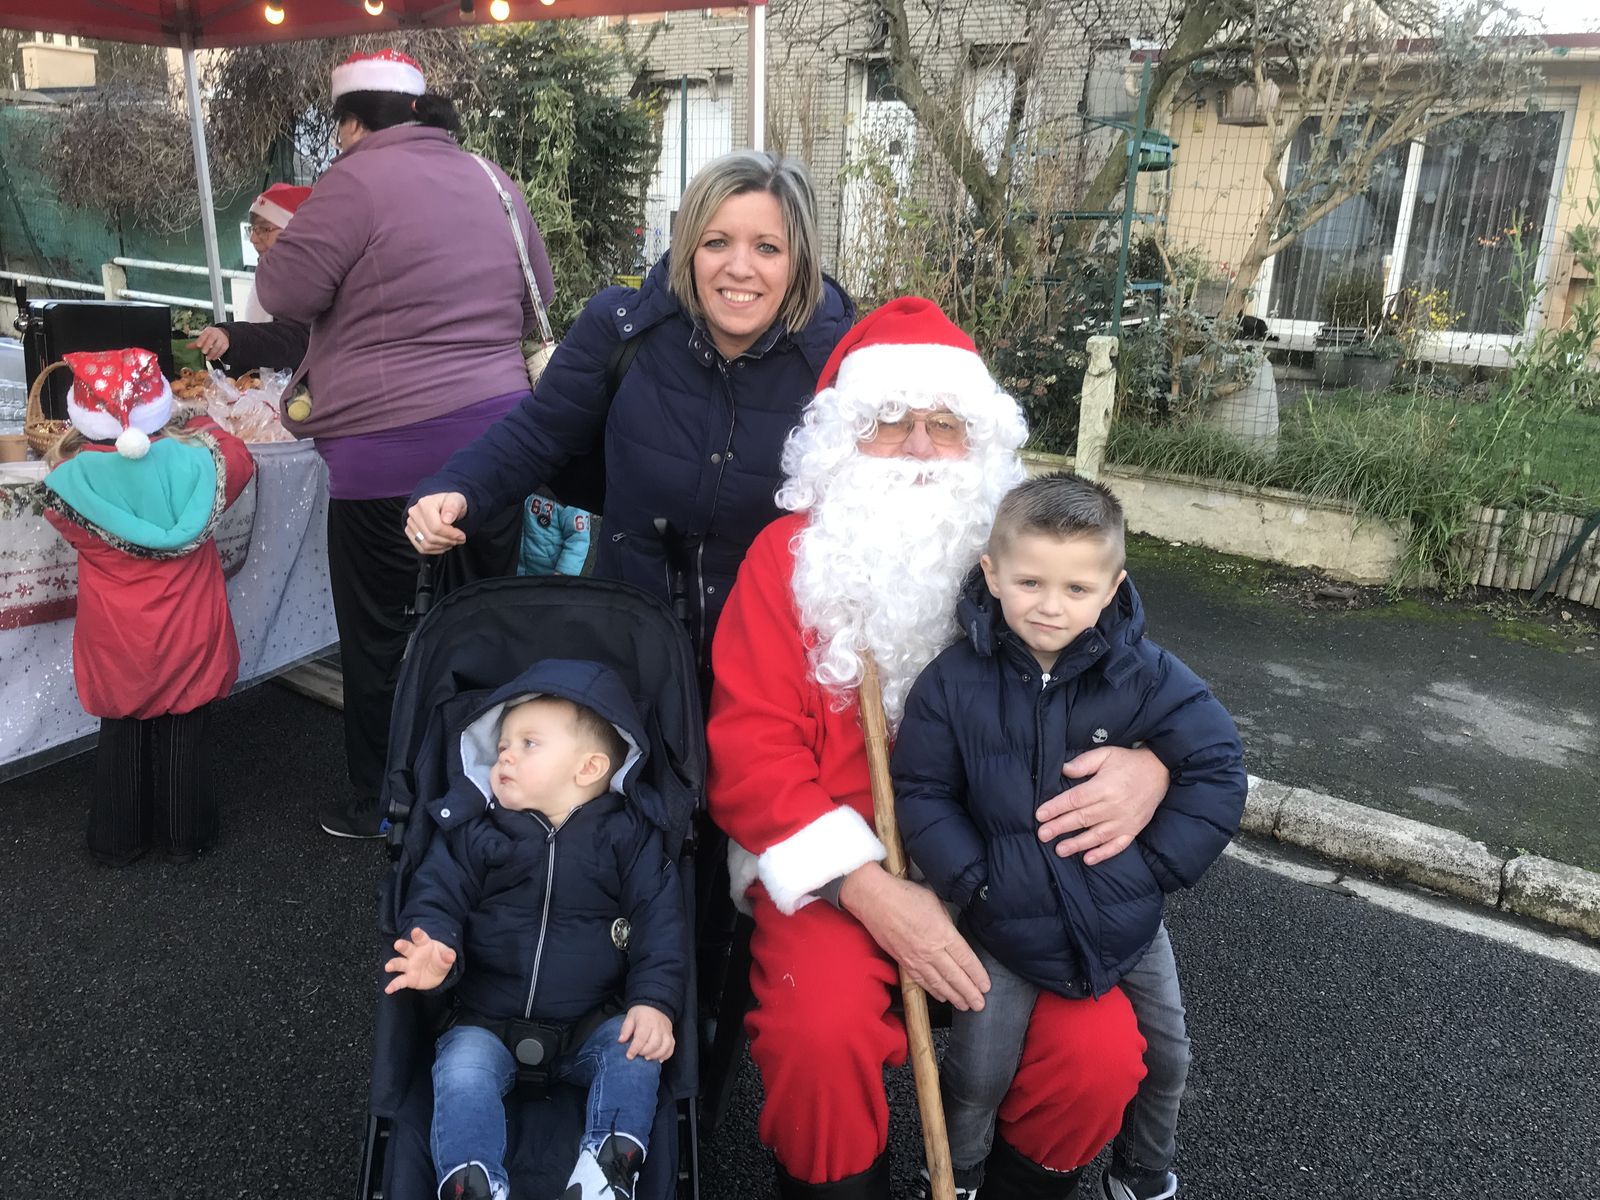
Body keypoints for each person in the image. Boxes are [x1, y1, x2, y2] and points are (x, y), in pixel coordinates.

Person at [705, 298, 1174, 1199]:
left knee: (1102, 1053)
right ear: (843, 439)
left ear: (981, 444)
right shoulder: (786, 559)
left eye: (946, 426)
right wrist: (871, 890)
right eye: (890, 421)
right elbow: (751, 750)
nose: (920, 448)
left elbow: (1145, 690)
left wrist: (1150, 767)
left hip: (1020, 867)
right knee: (818, 1035)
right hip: (844, 867)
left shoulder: (1033, 562)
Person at [892, 472, 1248, 1200]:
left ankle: (1143, 1171)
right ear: (992, 574)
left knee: (1167, 1056)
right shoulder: (953, 681)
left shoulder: (1147, 675)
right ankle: (956, 1174)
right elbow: (923, 791)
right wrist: (974, 881)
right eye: (1029, 582)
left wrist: (1153, 868)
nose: (1050, 606)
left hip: (1128, 917)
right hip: (1002, 919)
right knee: (978, 1071)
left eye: (1077, 589)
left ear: (1113, 588)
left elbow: (1216, 766)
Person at [253, 49, 555, 839]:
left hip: (383, 457)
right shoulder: (491, 178)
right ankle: (486, 789)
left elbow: (282, 291)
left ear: (350, 123)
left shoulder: (351, 181)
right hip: (499, 448)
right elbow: (539, 300)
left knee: (383, 635)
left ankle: (382, 804)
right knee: (482, 622)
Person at [406, 149, 855, 675]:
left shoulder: (839, 367)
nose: (739, 267)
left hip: (772, 668)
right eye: (716, 242)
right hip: (629, 648)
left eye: (767, 247)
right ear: (688, 247)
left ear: (798, 260)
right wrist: (457, 487)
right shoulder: (622, 331)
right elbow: (537, 433)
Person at [383, 659, 685, 1200]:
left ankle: (605, 1171)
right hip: (484, 1016)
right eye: (502, 745)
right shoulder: (478, 832)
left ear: (588, 767)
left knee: (636, 1054)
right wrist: (433, 940)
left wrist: (654, 1001)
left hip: (593, 1017)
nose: (505, 754)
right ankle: (473, 1181)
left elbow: (659, 920)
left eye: (528, 744)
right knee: (461, 1071)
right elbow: (437, 891)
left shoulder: (627, 837)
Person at [41, 348, 255, 865]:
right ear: (159, 405)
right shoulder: (202, 461)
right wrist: (196, 419)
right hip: (190, 623)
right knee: (187, 725)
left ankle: (117, 840)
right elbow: (238, 456)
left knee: (122, 727)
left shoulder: (70, 480)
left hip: (116, 633)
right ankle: (188, 835)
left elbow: (66, 479)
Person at [189, 183, 313, 374]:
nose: (254, 239)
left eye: (264, 229)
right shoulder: (267, 277)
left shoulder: (316, 281)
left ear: (295, 232)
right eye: (253, 229)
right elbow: (259, 348)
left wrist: (232, 337)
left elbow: (296, 341)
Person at [519, 490, 592, 577]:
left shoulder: (572, 499)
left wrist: (564, 572)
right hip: (518, 568)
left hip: (551, 574)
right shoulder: (525, 485)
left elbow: (578, 540)